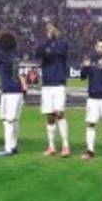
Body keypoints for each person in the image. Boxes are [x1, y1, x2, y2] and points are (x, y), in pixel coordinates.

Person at [0, 29, 27, 157]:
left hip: (10, 92)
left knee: (8, 121)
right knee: (13, 120)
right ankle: (13, 145)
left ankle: (9, 148)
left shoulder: (2, 55)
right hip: (15, 91)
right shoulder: (12, 54)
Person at [35, 21, 72, 157]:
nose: (49, 30)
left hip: (58, 84)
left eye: (52, 28)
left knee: (60, 113)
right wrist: (47, 41)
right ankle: (51, 146)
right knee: (49, 116)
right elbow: (39, 53)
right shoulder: (44, 44)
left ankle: (65, 145)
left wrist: (54, 40)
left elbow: (60, 51)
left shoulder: (62, 44)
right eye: (48, 28)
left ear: (58, 30)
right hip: (47, 84)